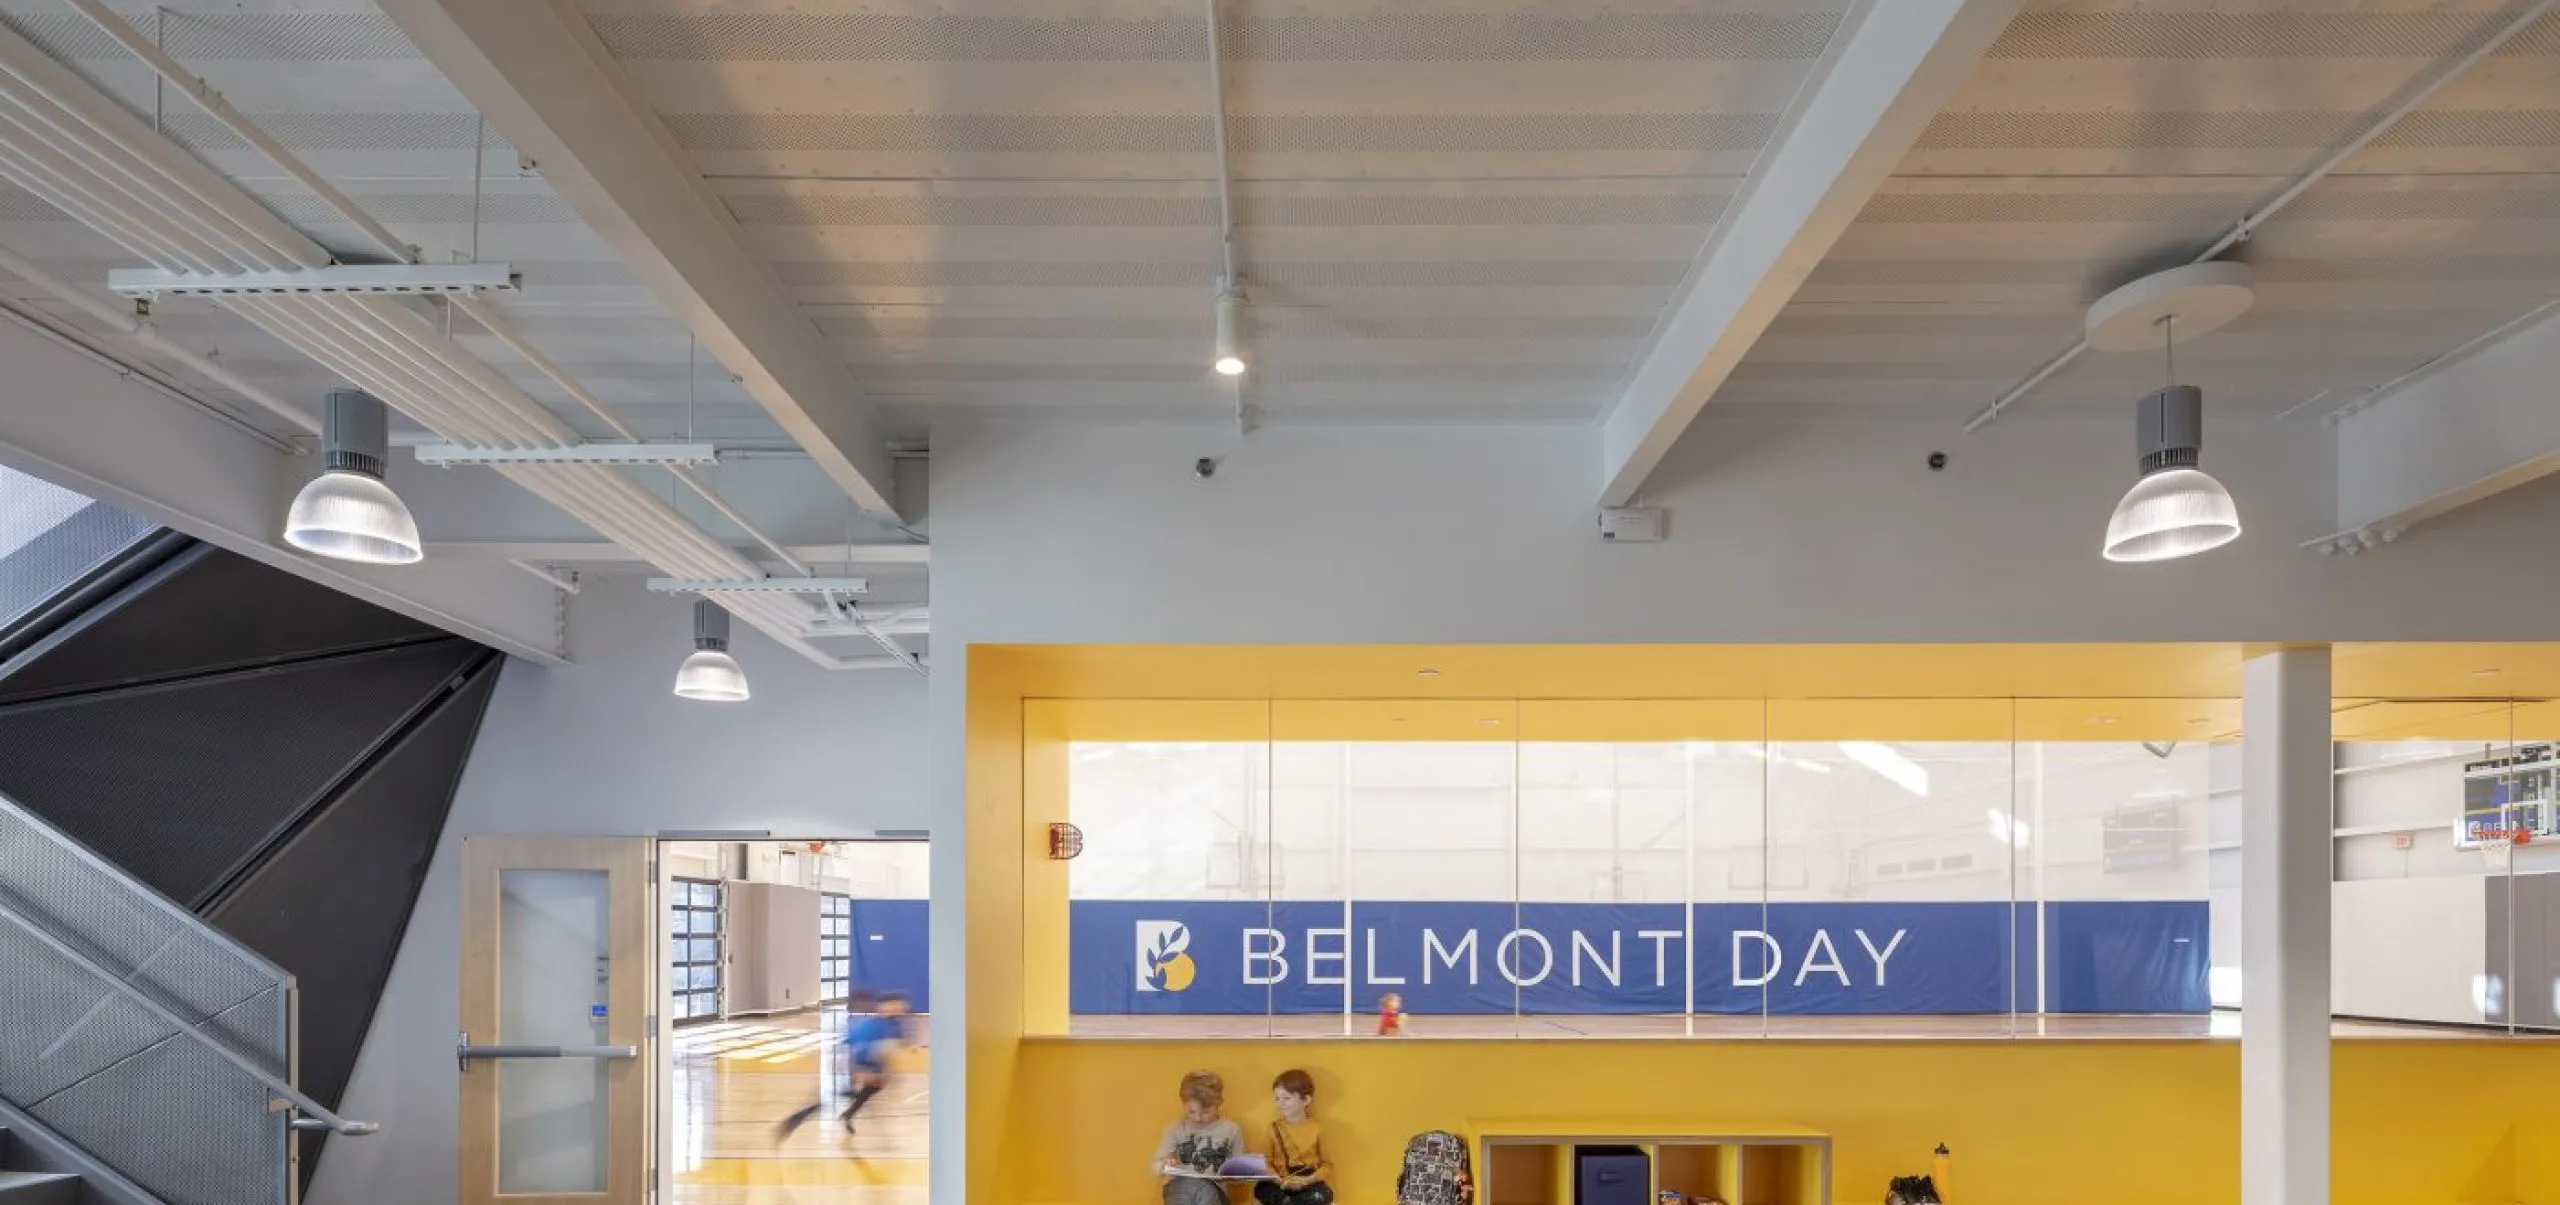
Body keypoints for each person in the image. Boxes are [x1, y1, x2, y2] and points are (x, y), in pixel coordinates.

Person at [774, 991, 911, 1141]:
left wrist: (907, 1050)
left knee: (869, 1089)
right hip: (851, 1067)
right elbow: (853, 1049)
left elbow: (895, 1044)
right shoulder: (869, 1027)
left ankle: (847, 1115)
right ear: (883, 1006)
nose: (900, 1008)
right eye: (896, 1004)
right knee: (833, 1099)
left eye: (901, 1005)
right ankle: (794, 1121)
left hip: (873, 1068)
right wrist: (860, 1071)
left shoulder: (894, 1025)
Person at [1152, 1069, 1245, 1205]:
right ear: (1184, 1104)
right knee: (1184, 1187)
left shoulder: (1231, 1130)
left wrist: (1235, 1172)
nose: (1197, 1117)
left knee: (1204, 1188)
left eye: (1205, 1112)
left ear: (1218, 1103)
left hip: (1215, 1192)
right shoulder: (1176, 1129)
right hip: (1179, 1189)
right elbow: (1154, 1168)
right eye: (1191, 1111)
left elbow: (1240, 1176)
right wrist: (1163, 1164)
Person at [1256, 1069, 1334, 1205]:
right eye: (1277, 1098)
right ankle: (1288, 1201)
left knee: (1324, 1194)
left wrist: (1308, 1180)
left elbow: (1327, 1165)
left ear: (1306, 1100)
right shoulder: (1272, 1129)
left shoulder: (1318, 1129)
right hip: (1279, 1182)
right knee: (1261, 1189)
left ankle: (1290, 1202)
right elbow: (1265, 1163)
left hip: (1307, 1181)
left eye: (1287, 1098)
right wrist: (1280, 1181)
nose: (1280, 1103)